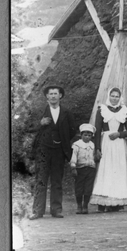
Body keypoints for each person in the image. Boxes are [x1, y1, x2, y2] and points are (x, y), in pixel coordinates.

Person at [31, 86, 77, 219]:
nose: (53, 96)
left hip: (59, 151)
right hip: (43, 151)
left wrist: (62, 140)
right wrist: (40, 123)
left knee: (57, 180)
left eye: (55, 93)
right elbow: (29, 127)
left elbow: (72, 130)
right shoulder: (41, 111)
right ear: (47, 96)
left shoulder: (66, 112)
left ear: (60, 96)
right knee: (41, 180)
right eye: (50, 94)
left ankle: (56, 210)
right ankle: (38, 210)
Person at [89, 88, 127, 212]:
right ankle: (102, 203)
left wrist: (119, 134)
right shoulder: (102, 110)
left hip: (119, 144)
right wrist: (97, 148)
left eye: (117, 96)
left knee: (118, 171)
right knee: (106, 170)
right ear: (109, 97)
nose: (114, 99)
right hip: (106, 143)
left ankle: (116, 203)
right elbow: (97, 130)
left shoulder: (125, 110)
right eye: (112, 96)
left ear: (120, 98)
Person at [69, 124, 99, 215]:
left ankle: (85, 205)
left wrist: (96, 158)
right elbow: (73, 156)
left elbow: (95, 157)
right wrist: (73, 167)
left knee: (88, 188)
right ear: (81, 135)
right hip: (80, 169)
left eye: (89, 135)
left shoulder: (93, 145)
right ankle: (79, 205)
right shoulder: (76, 145)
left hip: (90, 169)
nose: (87, 137)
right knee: (79, 187)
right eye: (85, 135)